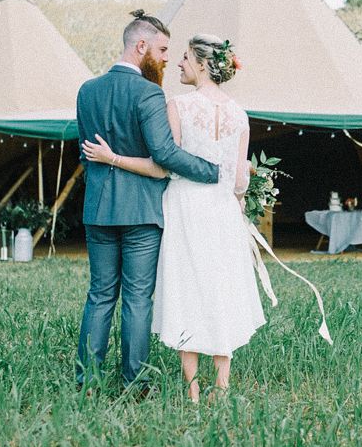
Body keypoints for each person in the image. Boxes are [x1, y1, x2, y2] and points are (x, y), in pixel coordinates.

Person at [82, 34, 266, 402]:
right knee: (218, 289)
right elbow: (238, 179)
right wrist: (230, 181)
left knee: (182, 289)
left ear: (201, 63)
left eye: (182, 57)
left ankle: (188, 387)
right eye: (169, 53)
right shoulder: (239, 113)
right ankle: (215, 387)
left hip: (175, 207)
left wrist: (112, 158)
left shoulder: (171, 104)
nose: (175, 62)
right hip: (221, 210)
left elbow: (166, 162)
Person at [75, 12, 219, 396]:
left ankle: (86, 382)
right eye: (161, 49)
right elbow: (165, 153)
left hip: (98, 210)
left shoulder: (86, 90)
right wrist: (211, 170)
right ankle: (134, 383)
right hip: (140, 213)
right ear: (141, 47)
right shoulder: (148, 93)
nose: (166, 58)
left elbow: (85, 152)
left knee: (100, 294)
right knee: (137, 298)